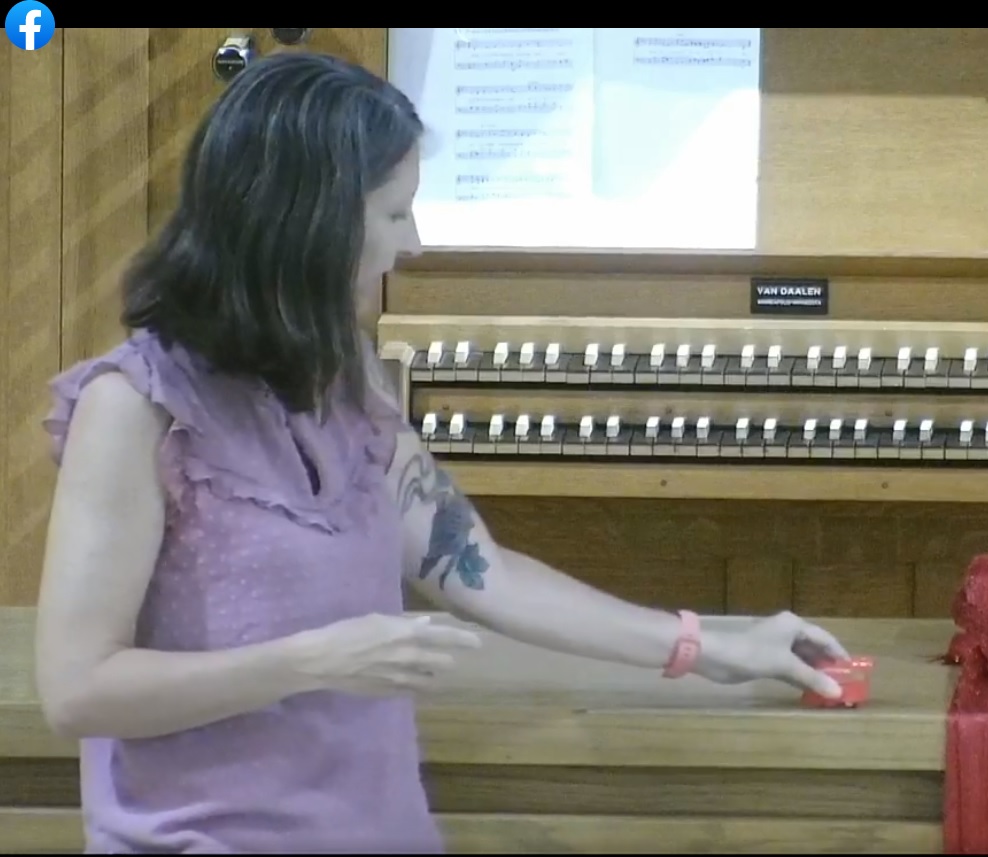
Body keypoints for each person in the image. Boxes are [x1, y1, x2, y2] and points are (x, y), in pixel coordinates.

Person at [35, 51, 850, 854]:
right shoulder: (132, 410)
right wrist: (309, 660)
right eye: (393, 213)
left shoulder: (342, 373)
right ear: (304, 222)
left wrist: (711, 645)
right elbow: (78, 690)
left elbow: (478, 568)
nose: (414, 243)